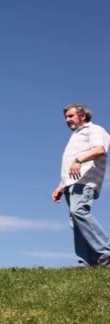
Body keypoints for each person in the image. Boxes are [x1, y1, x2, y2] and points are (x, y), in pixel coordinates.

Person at [52, 103, 110, 266]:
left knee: (79, 211)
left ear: (82, 116)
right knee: (75, 221)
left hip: (85, 181)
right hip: (70, 184)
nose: (67, 120)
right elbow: (68, 167)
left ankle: (106, 251)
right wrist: (60, 186)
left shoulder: (95, 130)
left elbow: (100, 149)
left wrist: (79, 160)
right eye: (66, 117)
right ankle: (91, 261)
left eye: (70, 116)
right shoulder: (75, 136)